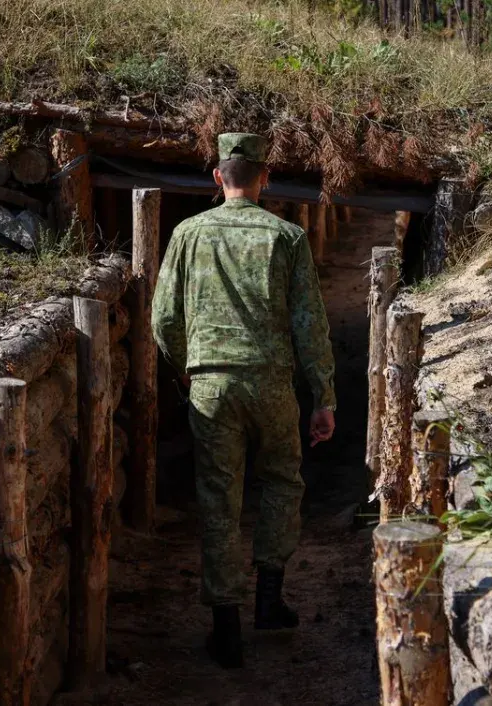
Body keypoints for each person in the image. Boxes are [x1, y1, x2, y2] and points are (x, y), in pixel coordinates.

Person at [151, 132, 337, 668]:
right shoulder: (287, 237)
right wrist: (322, 395)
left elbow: (164, 318)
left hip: (211, 382)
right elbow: (309, 323)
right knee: (281, 481)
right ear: (265, 178)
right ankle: (270, 601)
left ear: (217, 177)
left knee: (219, 498)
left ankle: (226, 627)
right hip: (273, 384)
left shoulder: (187, 234)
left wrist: (189, 369)